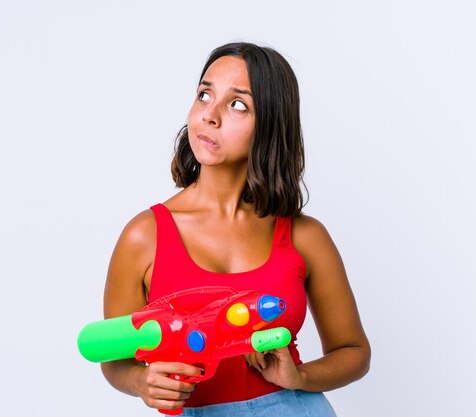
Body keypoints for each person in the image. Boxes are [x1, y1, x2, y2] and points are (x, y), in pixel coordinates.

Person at [100, 42, 370, 416]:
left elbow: (354, 352)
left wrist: (299, 378)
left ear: (270, 125)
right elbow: (113, 359)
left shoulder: (305, 236)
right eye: (204, 95)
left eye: (237, 104)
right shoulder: (144, 236)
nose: (210, 115)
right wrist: (140, 382)